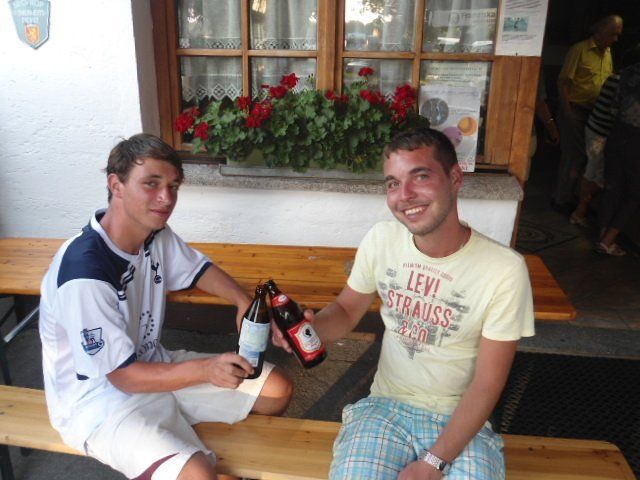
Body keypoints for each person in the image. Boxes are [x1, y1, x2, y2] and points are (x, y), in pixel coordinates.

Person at [275, 128, 535, 479]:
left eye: (421, 176)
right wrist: (308, 330)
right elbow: (347, 311)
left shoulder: (504, 269)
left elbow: (487, 383)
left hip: (461, 420)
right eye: (393, 183)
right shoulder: (382, 239)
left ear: (455, 178)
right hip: (385, 409)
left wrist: (434, 463)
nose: (405, 195)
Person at [39, 134, 293, 480]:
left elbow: (198, 269)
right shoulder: (85, 272)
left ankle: (204, 456)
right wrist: (206, 369)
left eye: (173, 186)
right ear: (116, 185)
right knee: (198, 475)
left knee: (277, 390)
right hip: (100, 402)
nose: (167, 198)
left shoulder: (153, 232)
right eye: (152, 183)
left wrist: (242, 301)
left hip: (155, 365)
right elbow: (122, 376)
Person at [553, 14, 623, 211]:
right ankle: (561, 200)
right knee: (573, 156)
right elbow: (563, 82)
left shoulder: (607, 52)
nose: (615, 39)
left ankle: (575, 198)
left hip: (594, 114)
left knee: (588, 158)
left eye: (618, 35)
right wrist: (567, 112)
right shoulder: (580, 49)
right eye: (612, 34)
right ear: (600, 30)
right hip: (575, 109)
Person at [595, 44, 640, 256]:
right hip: (636, 140)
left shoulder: (627, 73)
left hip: (617, 133)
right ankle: (608, 241)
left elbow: (613, 107)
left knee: (612, 187)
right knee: (635, 193)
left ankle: (601, 237)